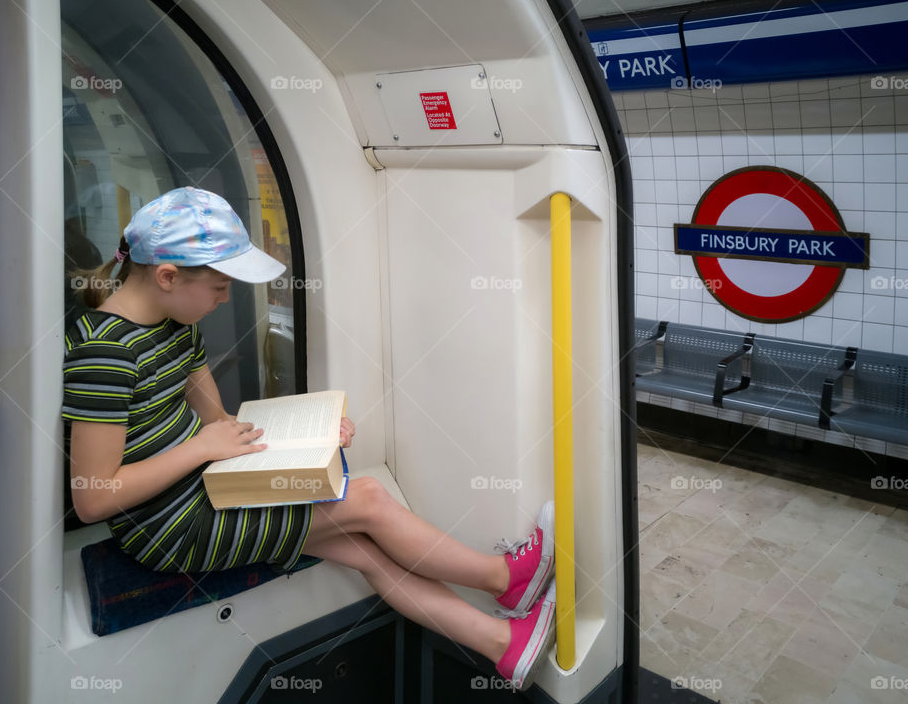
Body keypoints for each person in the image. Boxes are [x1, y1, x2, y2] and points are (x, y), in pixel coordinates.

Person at [62, 186, 557, 690]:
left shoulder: (175, 327)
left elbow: (222, 425)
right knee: (366, 498)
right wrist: (201, 448)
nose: (226, 298)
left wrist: (312, 438)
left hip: (206, 485)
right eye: (219, 286)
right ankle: (503, 580)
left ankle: (504, 643)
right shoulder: (102, 355)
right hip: (170, 527)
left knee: (363, 550)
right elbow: (94, 497)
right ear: (167, 277)